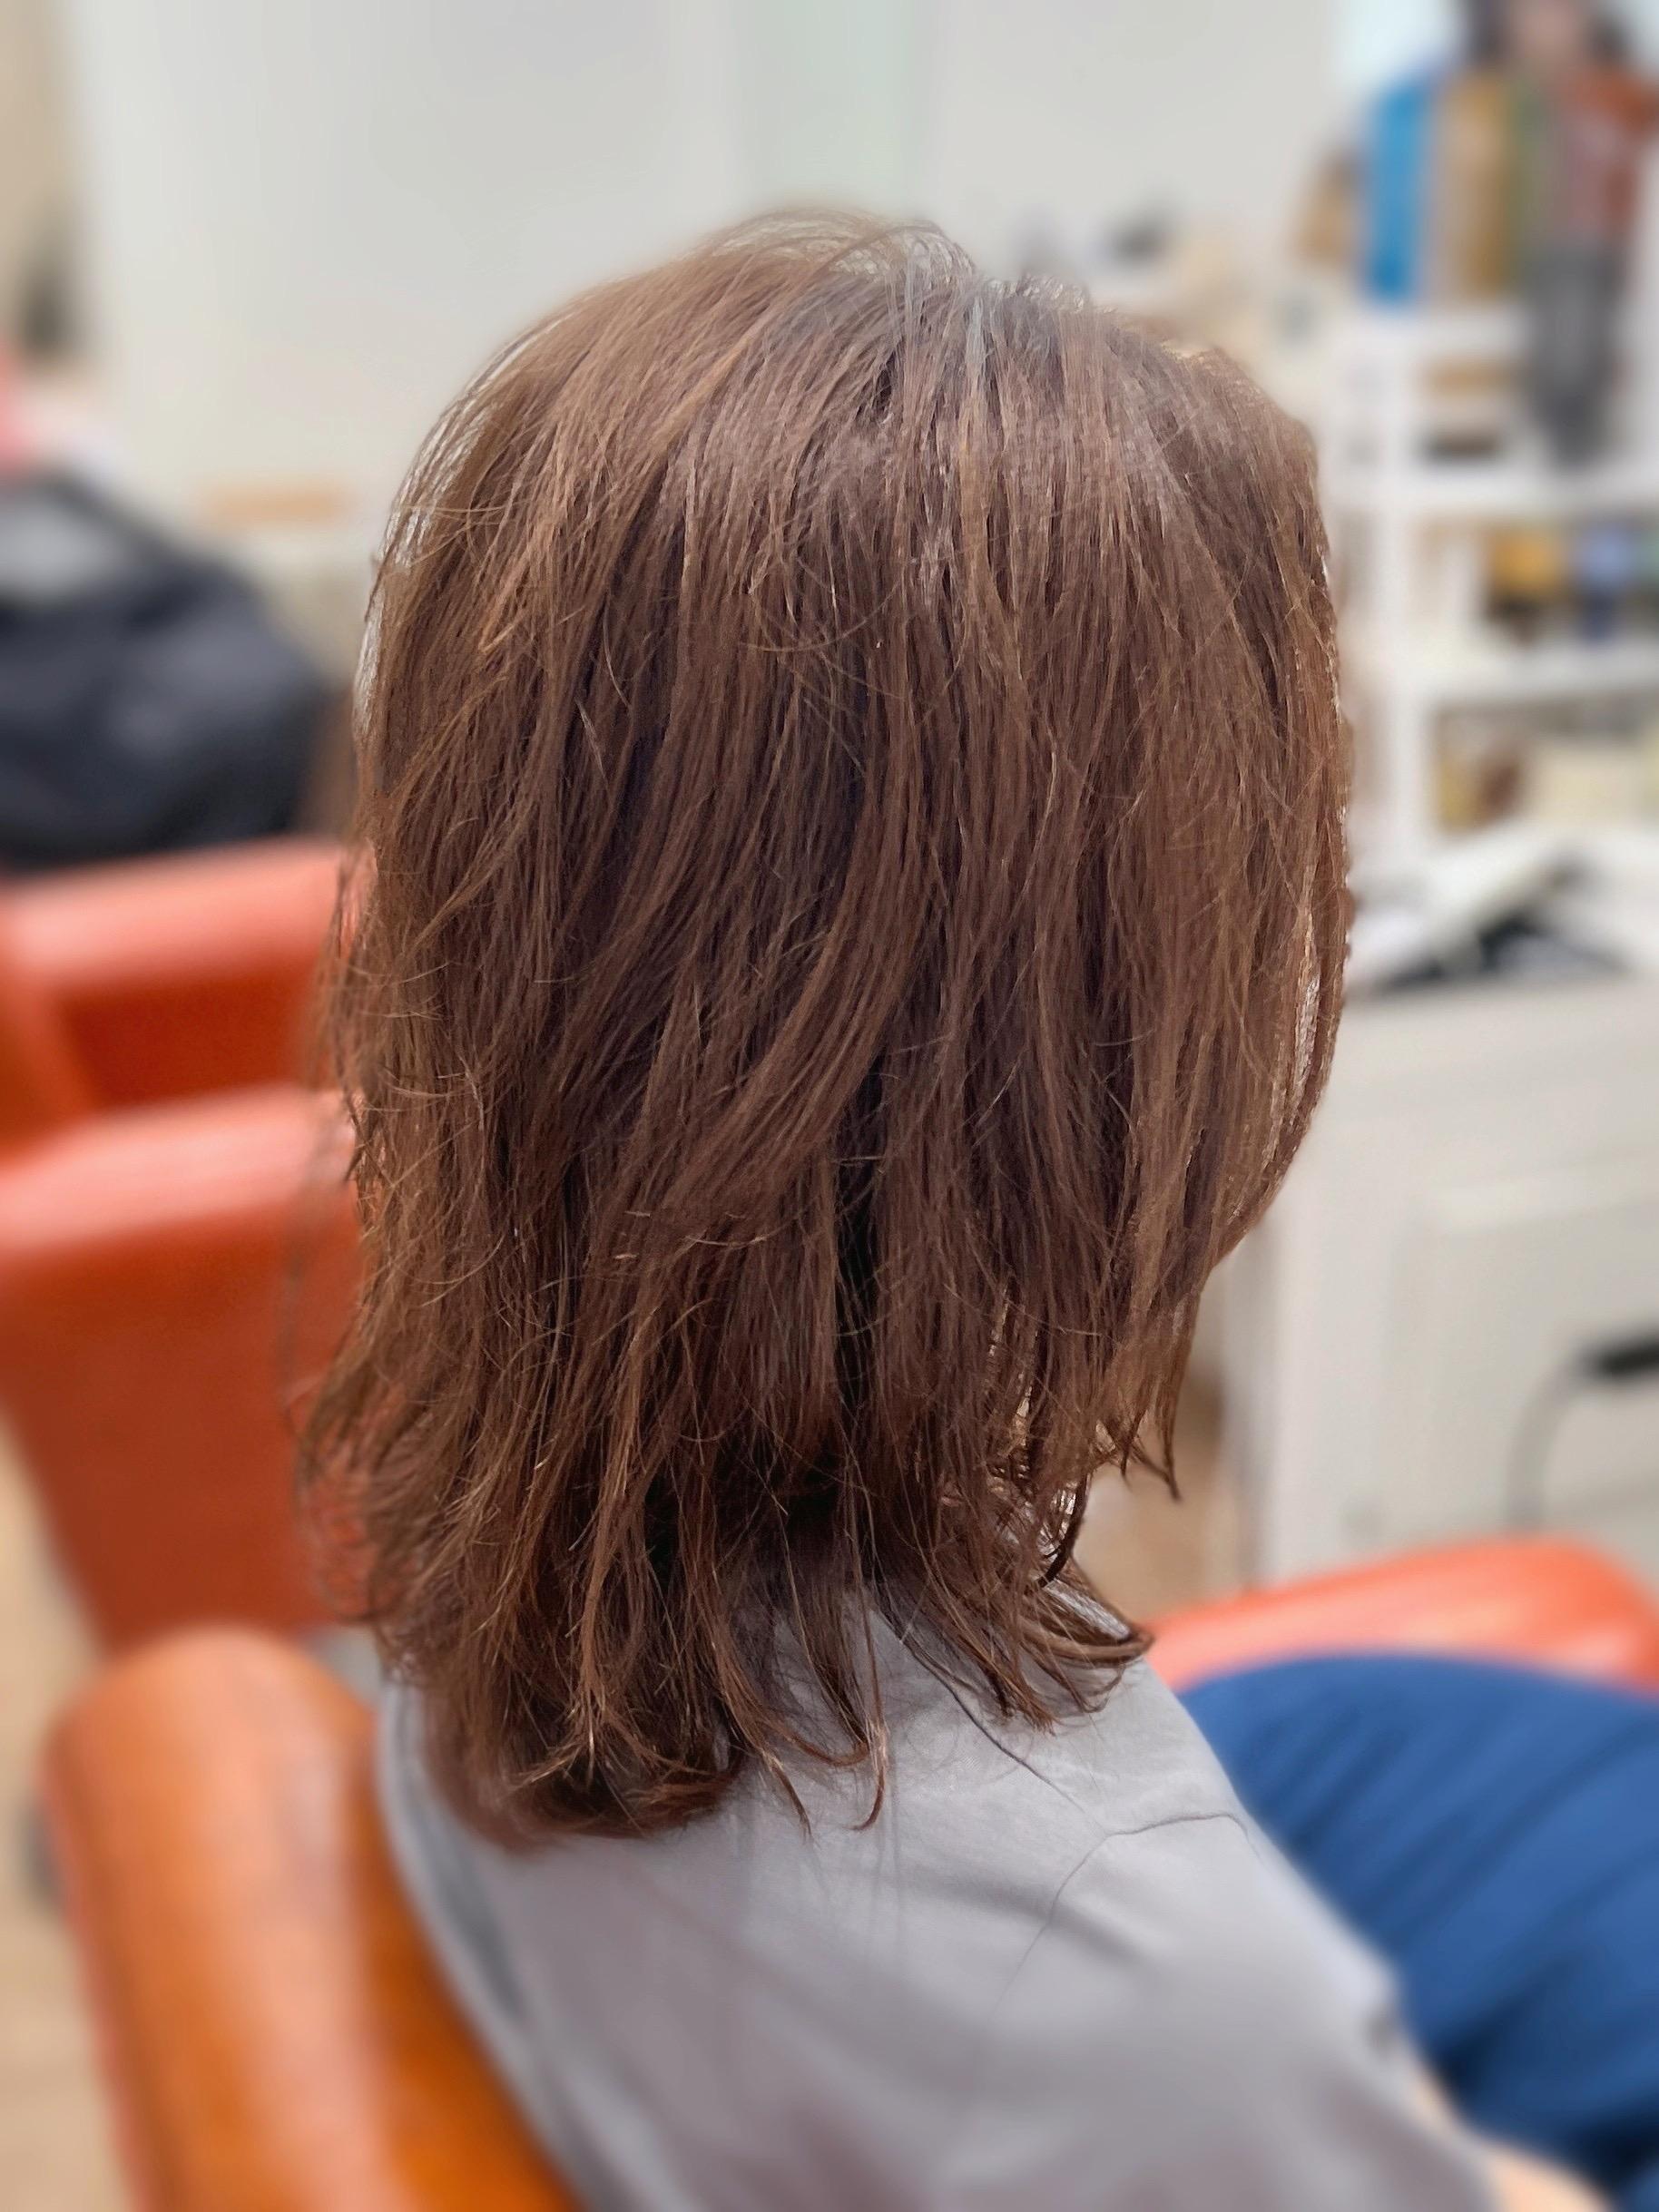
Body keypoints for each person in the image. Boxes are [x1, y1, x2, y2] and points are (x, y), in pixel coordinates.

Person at [306, 218, 1613, 2209]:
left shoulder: (504, 1532)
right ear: (1070, 1045)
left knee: (1483, 1755)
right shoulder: (1149, 2002)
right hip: (1092, 2012)